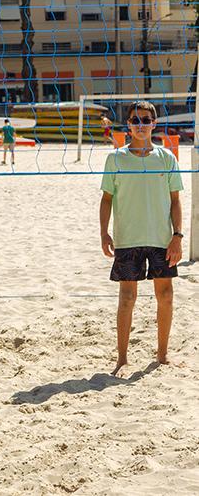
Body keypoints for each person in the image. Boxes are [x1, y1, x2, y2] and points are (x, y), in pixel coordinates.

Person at [99, 100, 183, 377]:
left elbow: (175, 201)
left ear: (154, 124)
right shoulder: (116, 158)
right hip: (128, 238)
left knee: (166, 296)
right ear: (128, 125)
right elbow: (107, 199)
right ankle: (122, 359)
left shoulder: (166, 158)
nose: (140, 125)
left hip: (161, 238)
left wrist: (177, 236)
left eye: (146, 120)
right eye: (135, 120)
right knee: (127, 298)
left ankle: (162, 354)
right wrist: (103, 232)